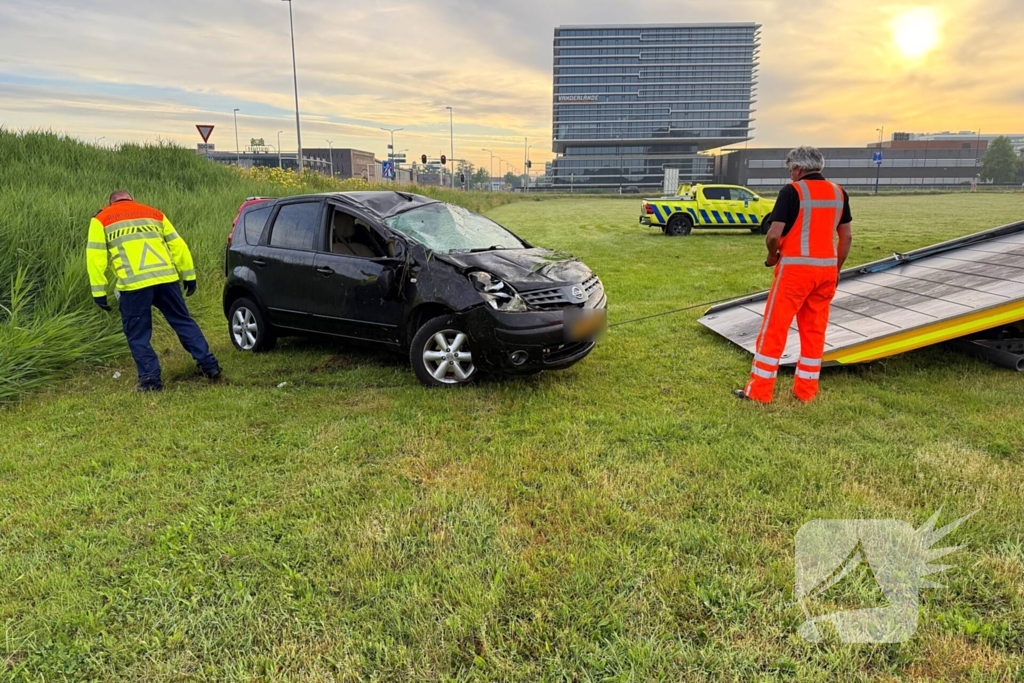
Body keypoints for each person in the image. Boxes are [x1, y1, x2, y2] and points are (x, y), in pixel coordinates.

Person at [735, 146, 853, 404]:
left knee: (774, 329)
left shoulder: (792, 191)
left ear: (798, 168)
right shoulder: (838, 192)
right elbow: (846, 237)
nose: (790, 175)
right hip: (826, 273)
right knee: (814, 332)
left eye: (790, 170)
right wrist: (836, 269)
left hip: (795, 273)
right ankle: (806, 392)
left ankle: (759, 392)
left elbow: (774, 235)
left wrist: (771, 257)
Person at [87, 190, 221, 391]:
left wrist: (99, 292)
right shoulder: (154, 213)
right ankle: (209, 365)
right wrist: (189, 275)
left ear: (110, 202)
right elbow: (179, 245)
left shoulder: (101, 219)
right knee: (183, 321)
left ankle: (150, 381)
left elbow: (95, 258)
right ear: (132, 199)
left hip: (134, 285)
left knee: (138, 335)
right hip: (167, 279)